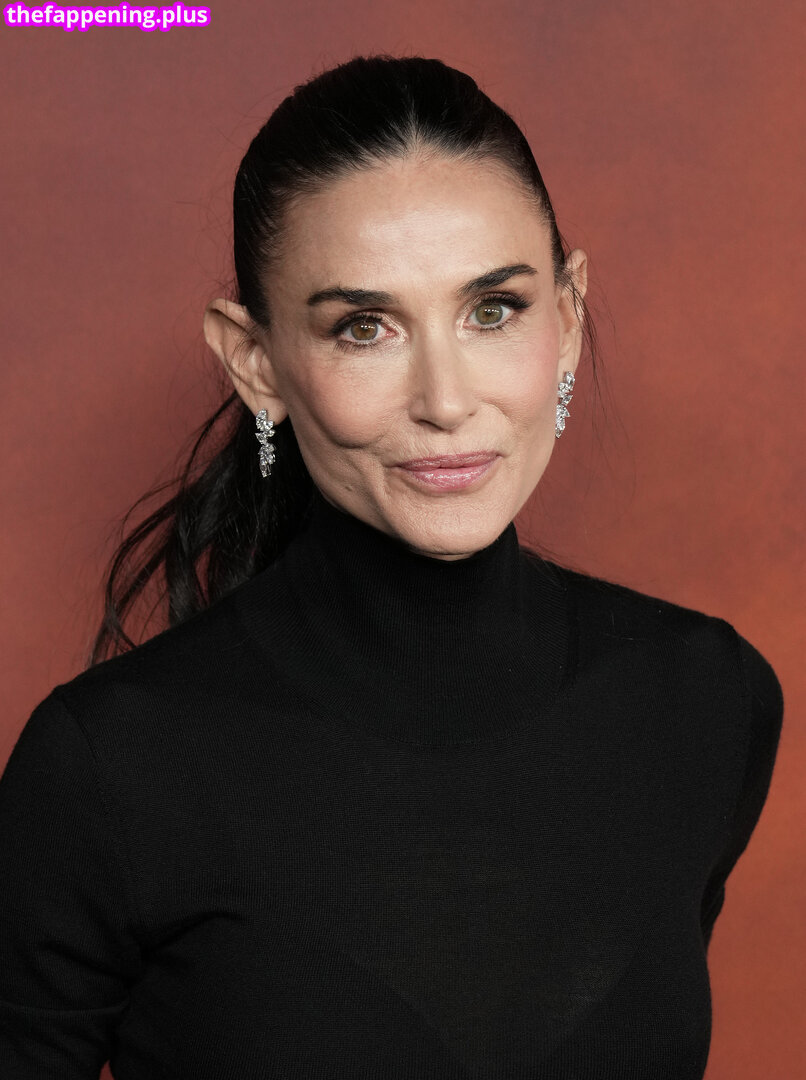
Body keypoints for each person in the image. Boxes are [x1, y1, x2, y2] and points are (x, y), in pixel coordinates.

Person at [0, 54, 783, 1080]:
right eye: (363, 328)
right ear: (255, 363)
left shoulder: (706, 699)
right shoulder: (109, 769)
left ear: (567, 317)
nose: (444, 401)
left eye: (492, 310)